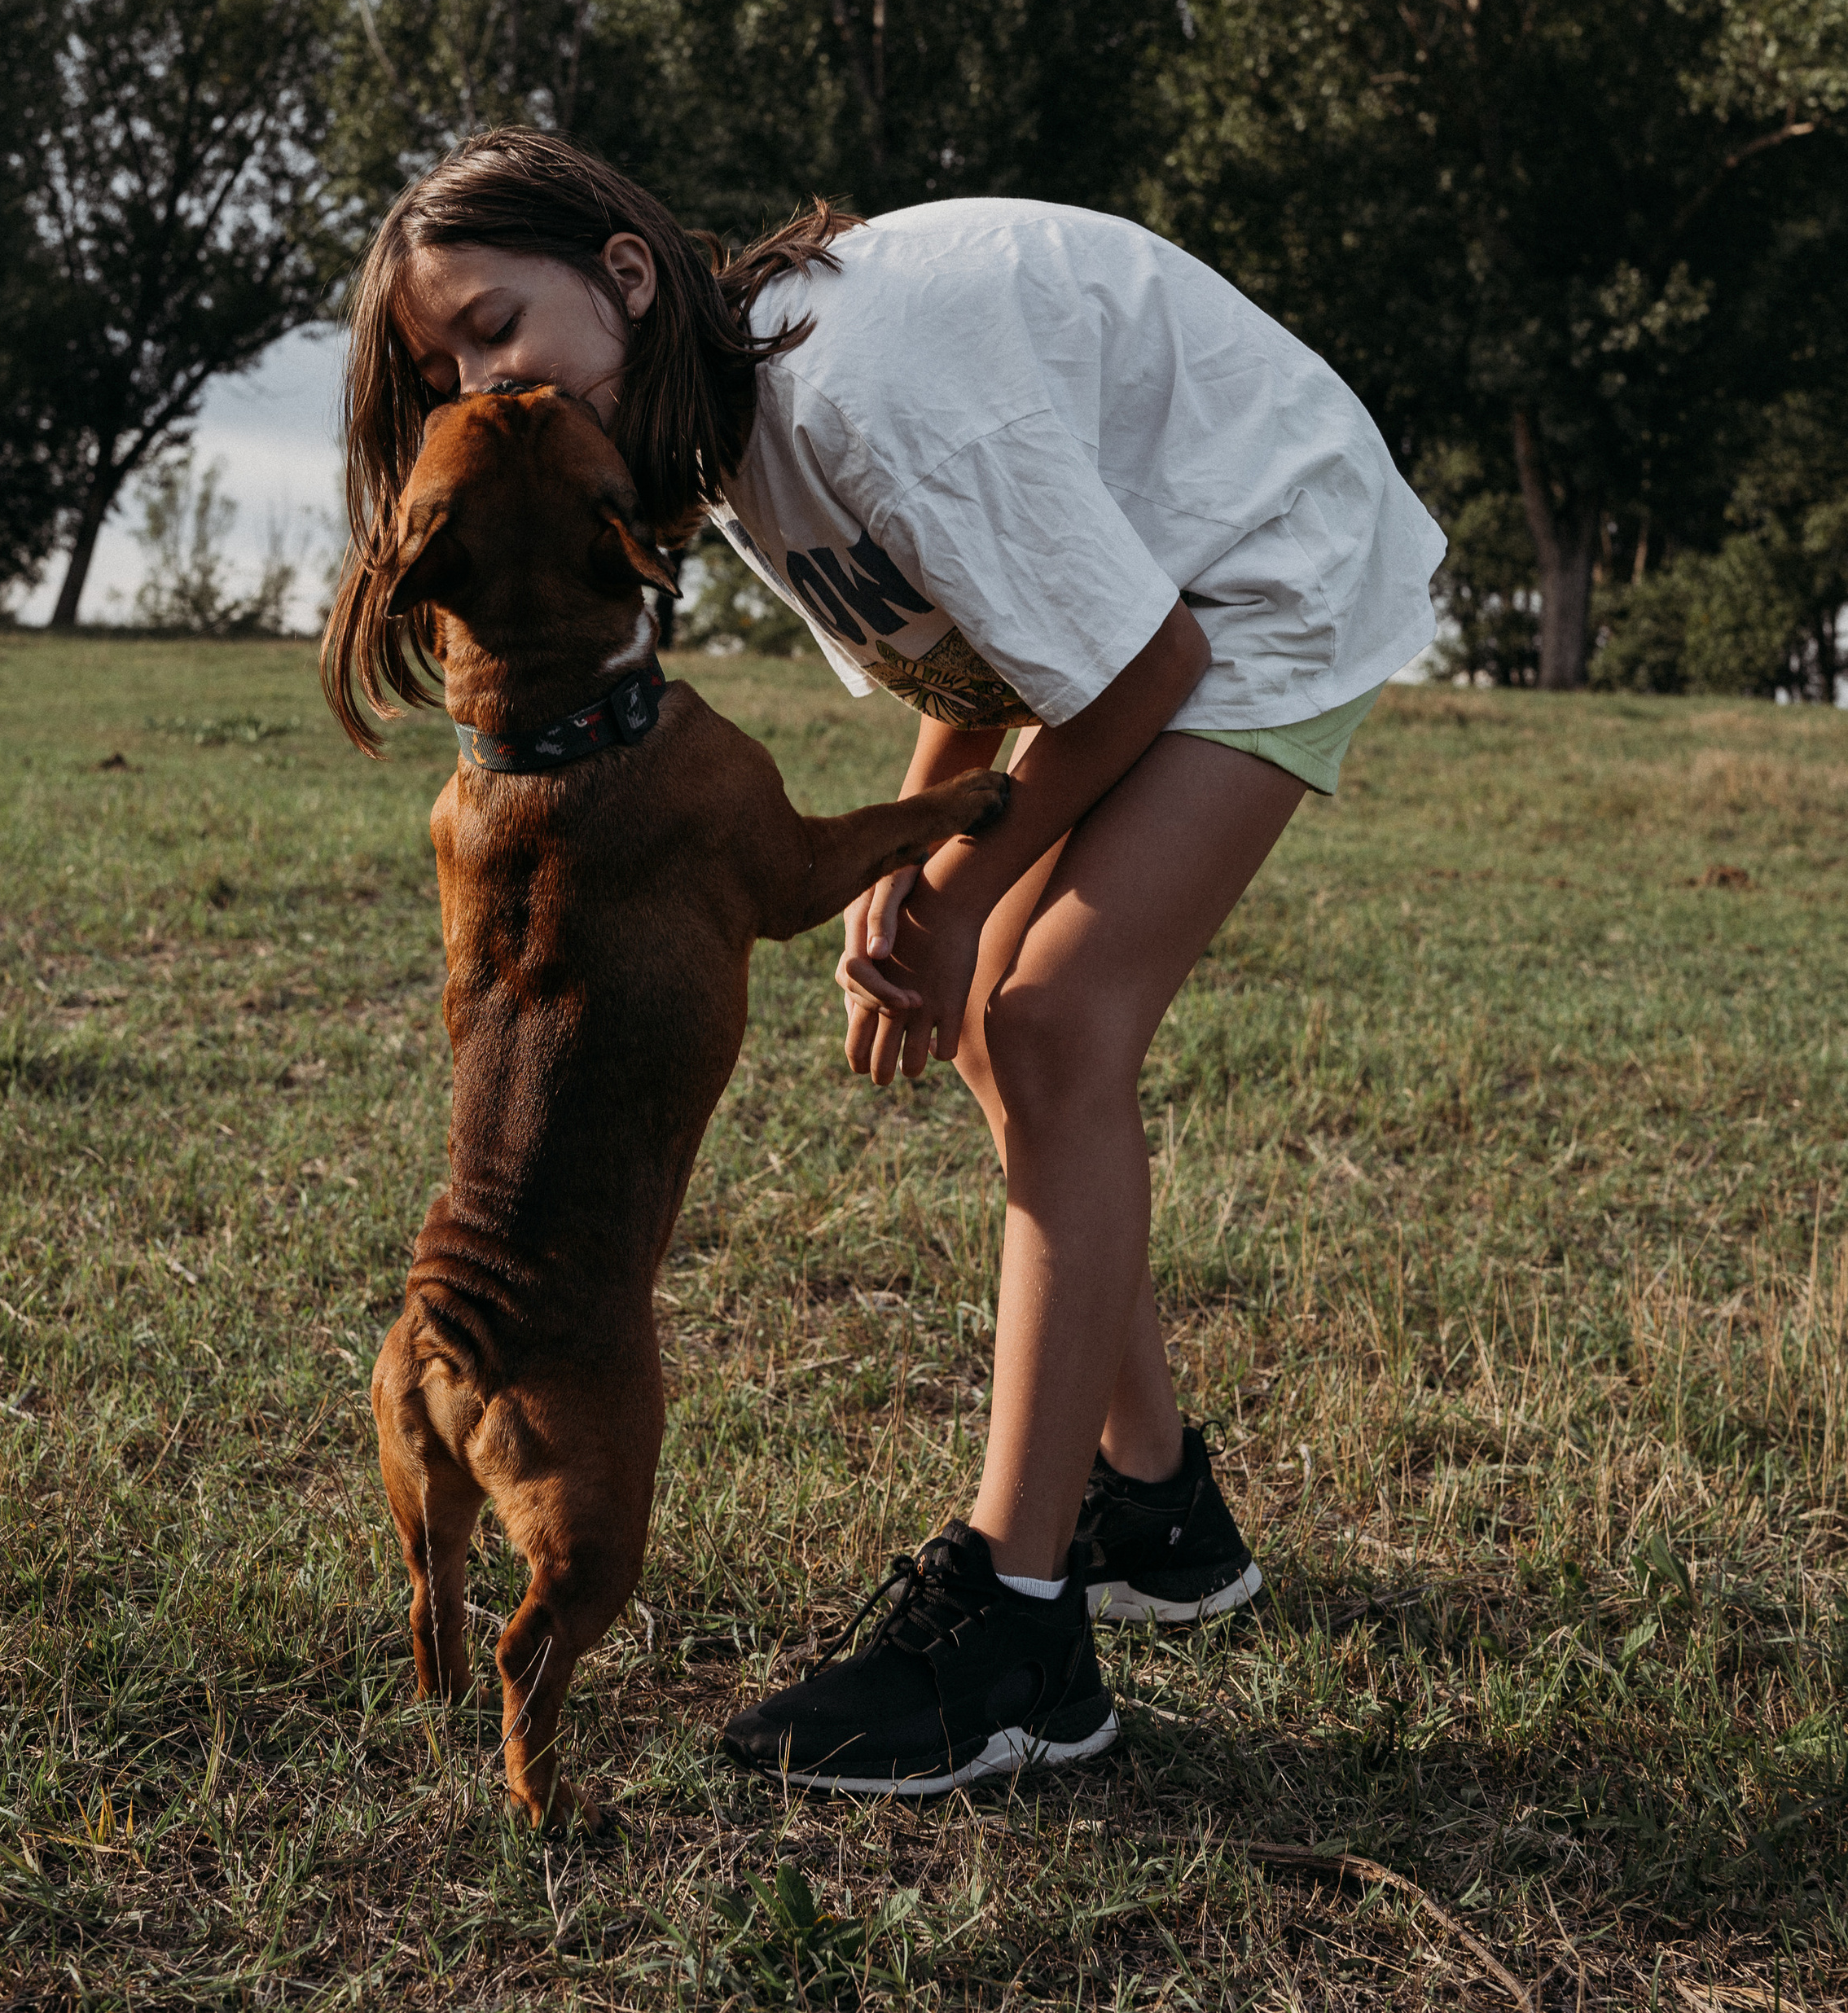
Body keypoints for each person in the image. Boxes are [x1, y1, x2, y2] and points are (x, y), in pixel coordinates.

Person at [324, 129, 1446, 1799]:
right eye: (441, 369)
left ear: (623, 274)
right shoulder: (718, 442)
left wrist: (968, 881)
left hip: (1259, 567)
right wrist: (912, 861)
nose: (477, 380)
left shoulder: (851, 392)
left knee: (1051, 1020)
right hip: (1150, 604)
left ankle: (1015, 1631)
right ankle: (1155, 1512)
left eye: (493, 325)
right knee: (1001, 1030)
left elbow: (1139, 663)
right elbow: (975, 652)